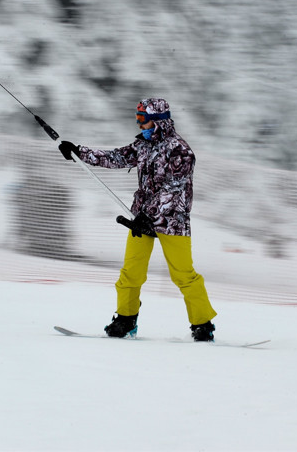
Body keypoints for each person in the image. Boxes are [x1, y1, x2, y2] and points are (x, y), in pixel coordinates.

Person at [58, 98, 217, 341]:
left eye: (142, 118)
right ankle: (125, 320)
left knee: (183, 275)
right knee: (131, 272)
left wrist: (148, 215)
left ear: (158, 121)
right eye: (137, 117)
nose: (138, 122)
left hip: (172, 221)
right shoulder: (143, 145)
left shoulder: (180, 151)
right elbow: (116, 157)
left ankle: (202, 325)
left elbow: (173, 190)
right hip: (141, 219)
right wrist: (79, 152)